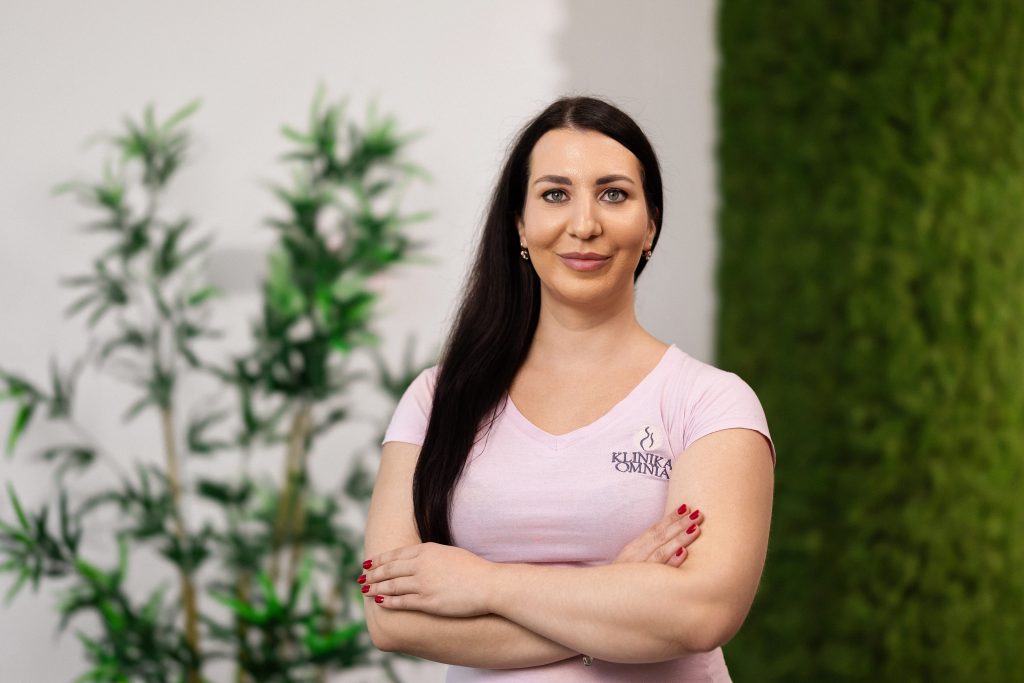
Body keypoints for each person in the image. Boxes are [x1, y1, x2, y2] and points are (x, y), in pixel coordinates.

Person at [360, 96, 776, 681]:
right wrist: (617, 596)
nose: (584, 225)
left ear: (650, 225)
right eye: (555, 194)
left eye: (614, 194)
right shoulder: (437, 399)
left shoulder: (712, 402)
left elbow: (700, 614)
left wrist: (484, 584)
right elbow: (392, 618)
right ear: (520, 225)